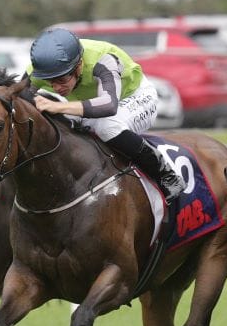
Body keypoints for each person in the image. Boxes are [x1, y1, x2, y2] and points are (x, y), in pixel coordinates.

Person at [27, 27, 184, 206]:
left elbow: (108, 106)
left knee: (107, 126)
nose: (56, 88)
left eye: (62, 80)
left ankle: (166, 174)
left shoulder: (103, 59)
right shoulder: (40, 68)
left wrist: (58, 106)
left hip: (134, 98)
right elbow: (16, 100)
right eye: (50, 81)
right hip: (94, 102)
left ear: (79, 66)